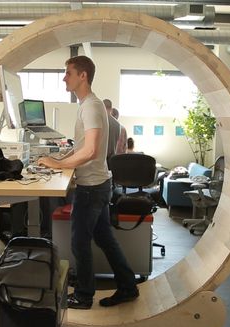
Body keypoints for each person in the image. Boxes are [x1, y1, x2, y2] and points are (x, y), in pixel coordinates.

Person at [38, 56, 139, 310]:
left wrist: (58, 165)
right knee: (105, 239)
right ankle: (128, 287)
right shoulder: (88, 105)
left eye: (68, 73)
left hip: (92, 187)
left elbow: (92, 150)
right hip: (99, 183)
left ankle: (83, 296)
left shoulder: (91, 106)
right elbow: (84, 146)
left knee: (79, 243)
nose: (64, 77)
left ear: (83, 76)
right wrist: (60, 157)